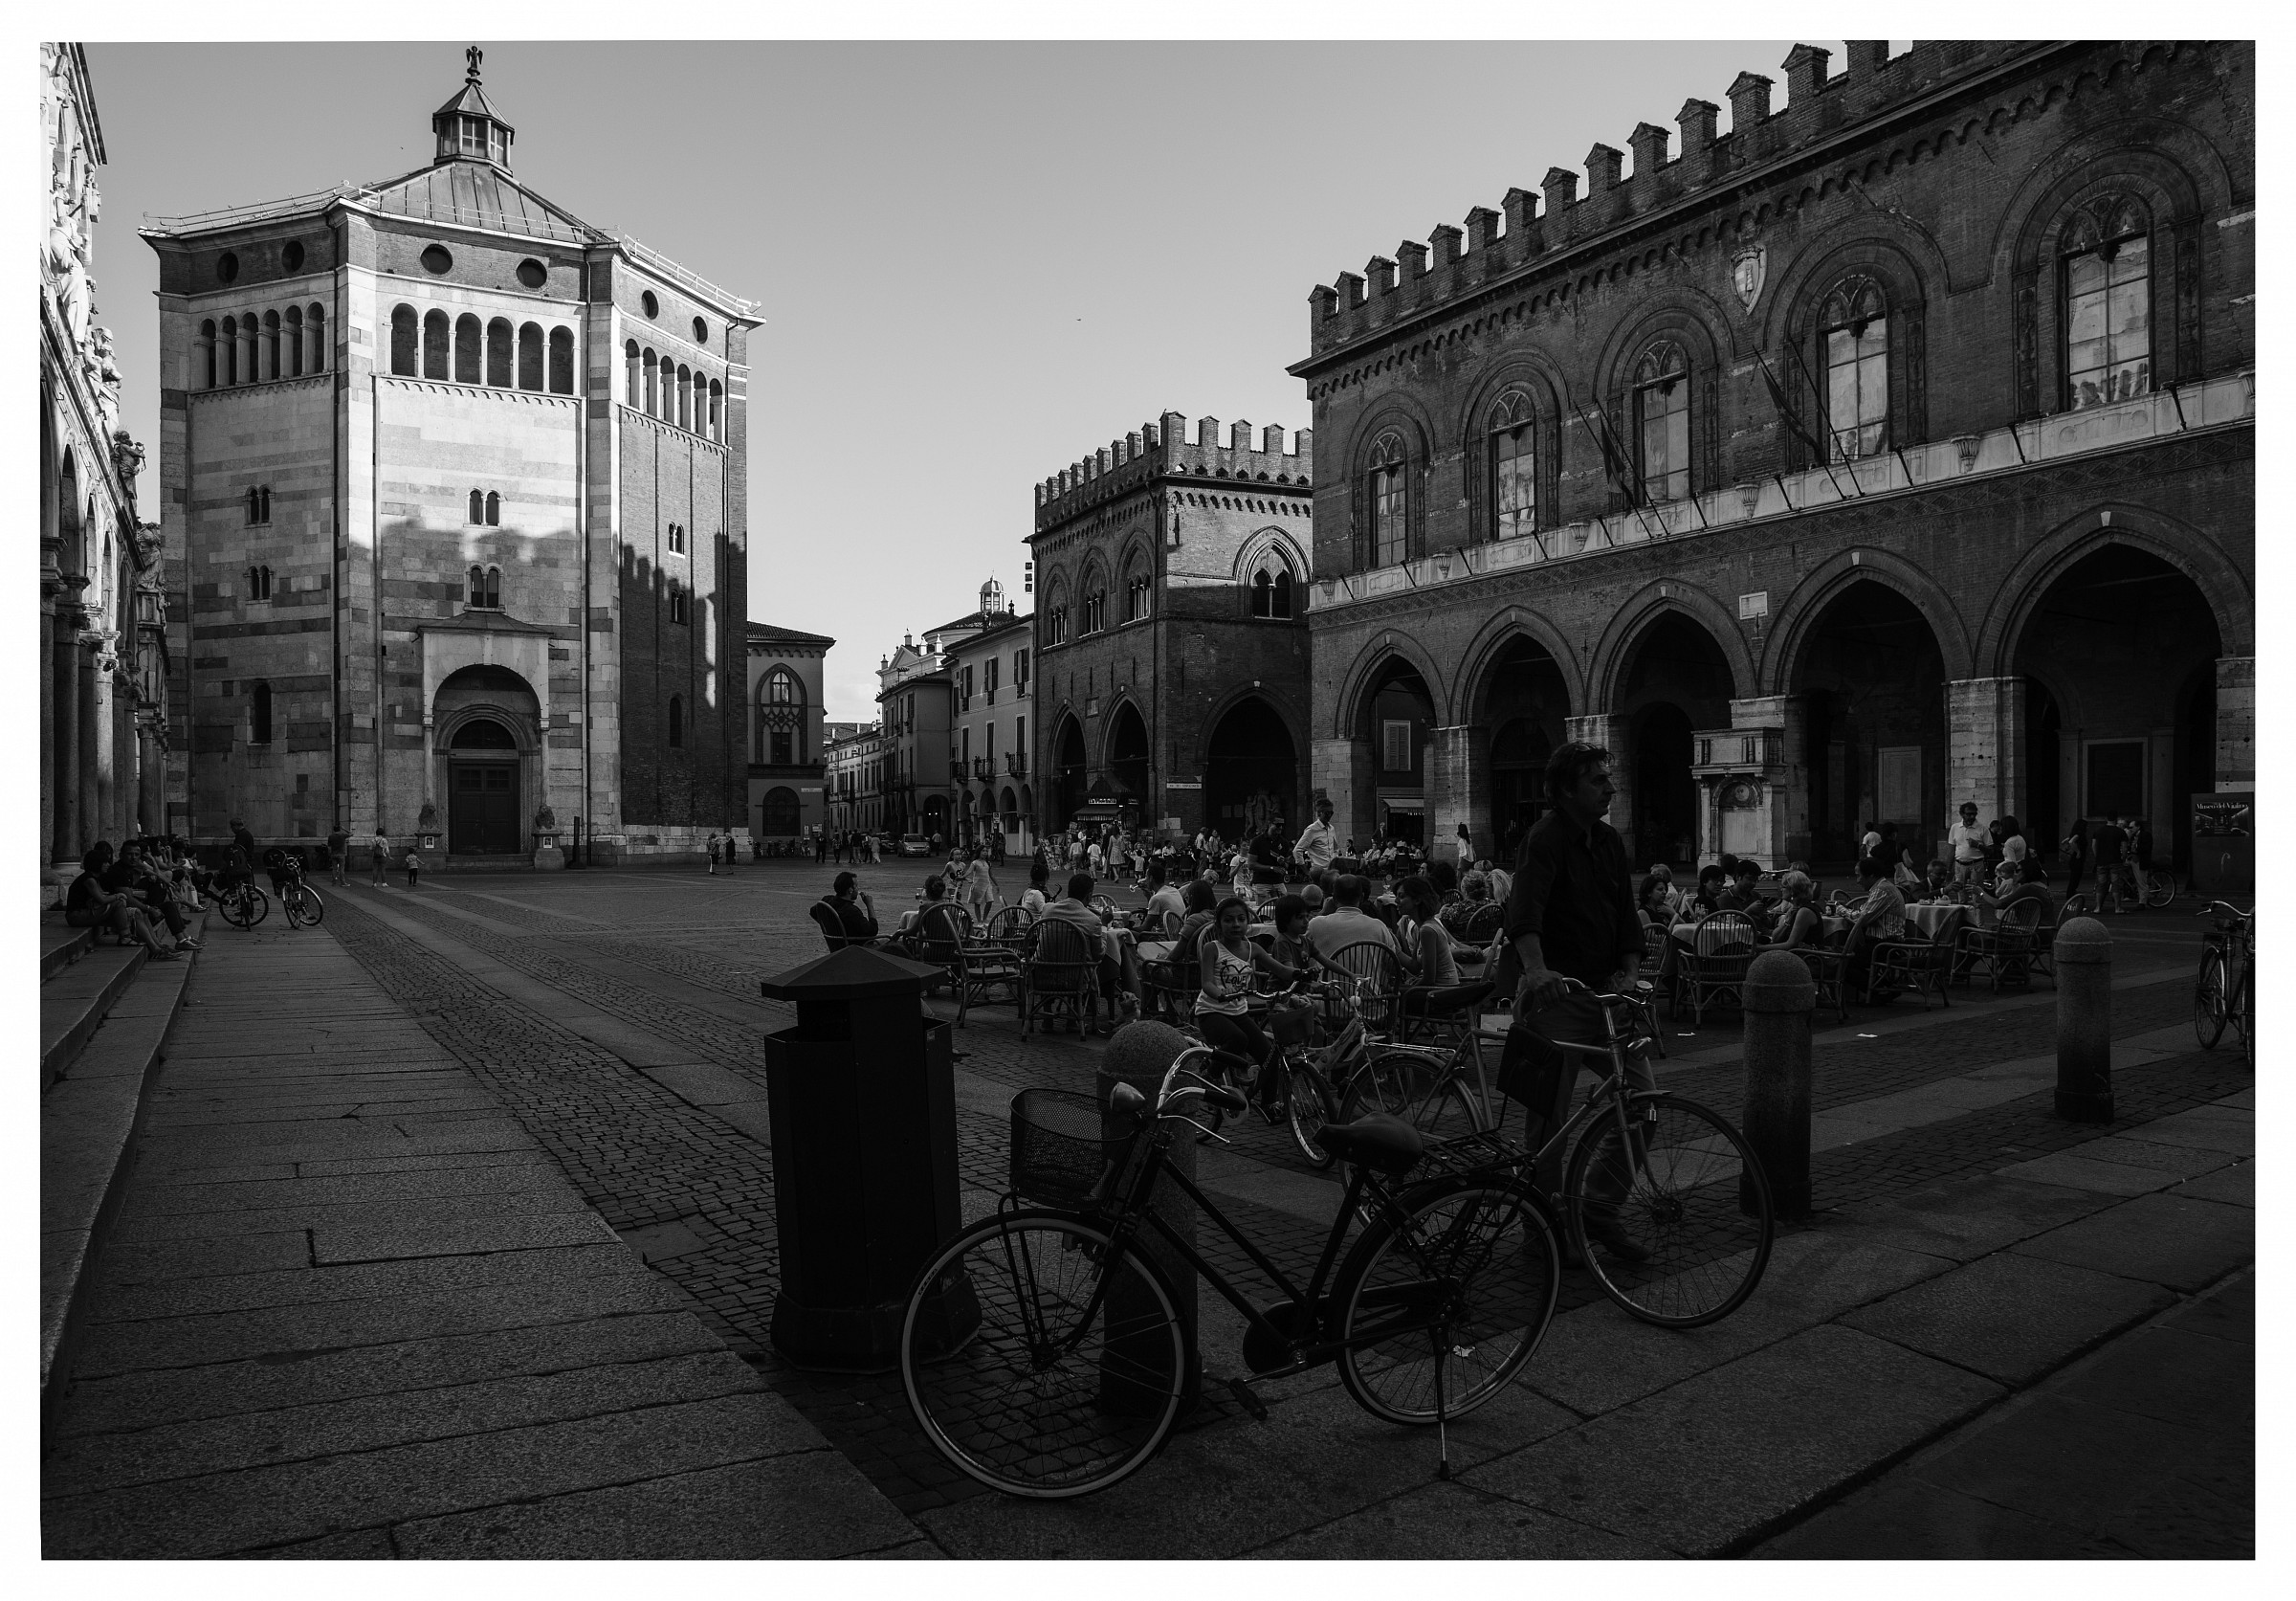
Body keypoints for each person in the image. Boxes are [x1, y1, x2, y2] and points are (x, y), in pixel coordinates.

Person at [1494, 743, 1646, 1261]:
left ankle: (1598, 1210)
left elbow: (1625, 911)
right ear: (1565, 790)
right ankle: (1542, 1230)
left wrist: (1630, 968)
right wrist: (1536, 970)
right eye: (1597, 780)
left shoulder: (1608, 840)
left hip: (1606, 995)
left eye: (1609, 777)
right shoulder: (1544, 837)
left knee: (1642, 1107)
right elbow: (1524, 908)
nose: (1609, 786)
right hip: (1559, 997)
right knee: (1549, 1126)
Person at [65, 845, 180, 958]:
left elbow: (100, 896)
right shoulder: (89, 879)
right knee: (119, 903)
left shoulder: (95, 878)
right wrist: (118, 896)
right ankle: (125, 936)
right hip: (76, 916)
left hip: (89, 912)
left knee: (139, 912)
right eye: (105, 863)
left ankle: (157, 946)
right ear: (96, 864)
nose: (108, 865)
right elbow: (102, 899)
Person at [1841, 856, 1909, 993]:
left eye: (1859, 876)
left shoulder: (1882, 890)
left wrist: (1841, 910)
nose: (1858, 880)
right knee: (1846, 952)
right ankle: (1879, 986)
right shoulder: (1881, 888)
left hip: (1886, 945)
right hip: (1881, 942)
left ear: (1871, 875)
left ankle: (1879, 990)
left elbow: (1862, 918)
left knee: (1844, 961)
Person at [1304, 874, 1398, 964]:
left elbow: (1299, 952)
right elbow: (1391, 961)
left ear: (1334, 899)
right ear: (1361, 897)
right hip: (1367, 979)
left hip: (1326, 980)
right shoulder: (1379, 926)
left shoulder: (1315, 924)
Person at [1759, 871, 1824, 951]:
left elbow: (1790, 944)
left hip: (1806, 956)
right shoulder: (1794, 908)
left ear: (1792, 890)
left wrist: (1758, 948)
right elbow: (1775, 937)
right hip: (1793, 953)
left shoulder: (1805, 911)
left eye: (1784, 887)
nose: (1781, 889)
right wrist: (1787, 919)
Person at [817, 871, 883, 945]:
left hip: (837, 945)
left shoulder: (826, 900)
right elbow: (873, 931)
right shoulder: (852, 911)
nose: (858, 889)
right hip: (856, 948)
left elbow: (814, 912)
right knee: (894, 944)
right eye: (857, 886)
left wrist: (831, 927)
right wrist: (869, 905)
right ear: (850, 890)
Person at [1292, 796, 1340, 879]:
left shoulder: (1331, 828)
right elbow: (1297, 850)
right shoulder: (1312, 830)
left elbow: (1335, 848)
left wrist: (1334, 861)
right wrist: (1306, 872)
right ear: (1319, 813)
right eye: (1327, 813)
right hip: (1318, 872)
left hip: (1331, 872)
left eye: (1331, 813)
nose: (1329, 816)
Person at [2090, 814, 2129, 912]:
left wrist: (2097, 857)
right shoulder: (2120, 832)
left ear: (2106, 819)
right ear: (2115, 819)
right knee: (2116, 885)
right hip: (2115, 861)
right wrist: (2123, 859)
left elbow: (2094, 845)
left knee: (2101, 885)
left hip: (2102, 861)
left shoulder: (2099, 831)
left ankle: (2098, 907)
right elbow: (2124, 848)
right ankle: (2117, 908)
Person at [1950, 802, 1990, 884]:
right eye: (1968, 814)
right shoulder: (1955, 827)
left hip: (1976, 864)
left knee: (1976, 891)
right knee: (1960, 891)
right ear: (1962, 814)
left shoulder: (1983, 828)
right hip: (1960, 865)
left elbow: (1991, 850)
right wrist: (1948, 869)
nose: (1971, 817)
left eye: (1974, 814)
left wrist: (1978, 845)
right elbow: (1951, 849)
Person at [326, 823, 350, 887]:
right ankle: (343, 882)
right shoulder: (342, 835)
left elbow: (329, 846)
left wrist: (330, 853)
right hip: (341, 854)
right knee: (341, 869)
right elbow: (351, 834)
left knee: (334, 868)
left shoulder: (331, 836)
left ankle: (334, 882)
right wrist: (344, 829)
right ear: (339, 829)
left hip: (333, 854)